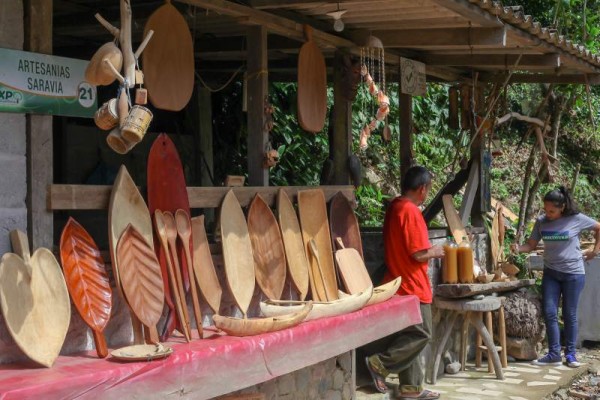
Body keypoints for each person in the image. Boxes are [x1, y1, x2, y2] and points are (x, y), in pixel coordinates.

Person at [365, 166, 443, 400]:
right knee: (422, 334)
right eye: (428, 190)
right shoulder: (410, 211)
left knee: (409, 335)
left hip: (397, 281)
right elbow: (418, 254)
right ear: (422, 189)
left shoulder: (395, 207)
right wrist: (437, 251)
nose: (427, 194)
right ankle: (379, 363)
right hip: (412, 285)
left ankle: (411, 388)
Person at [511, 186, 600, 368]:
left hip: (573, 274)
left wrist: (595, 250)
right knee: (550, 313)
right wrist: (518, 249)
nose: (548, 213)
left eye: (552, 211)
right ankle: (553, 354)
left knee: (569, 314)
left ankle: (571, 355)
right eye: (545, 210)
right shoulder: (542, 221)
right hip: (551, 273)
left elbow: (598, 227)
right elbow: (531, 245)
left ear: (562, 207)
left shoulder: (576, 219)